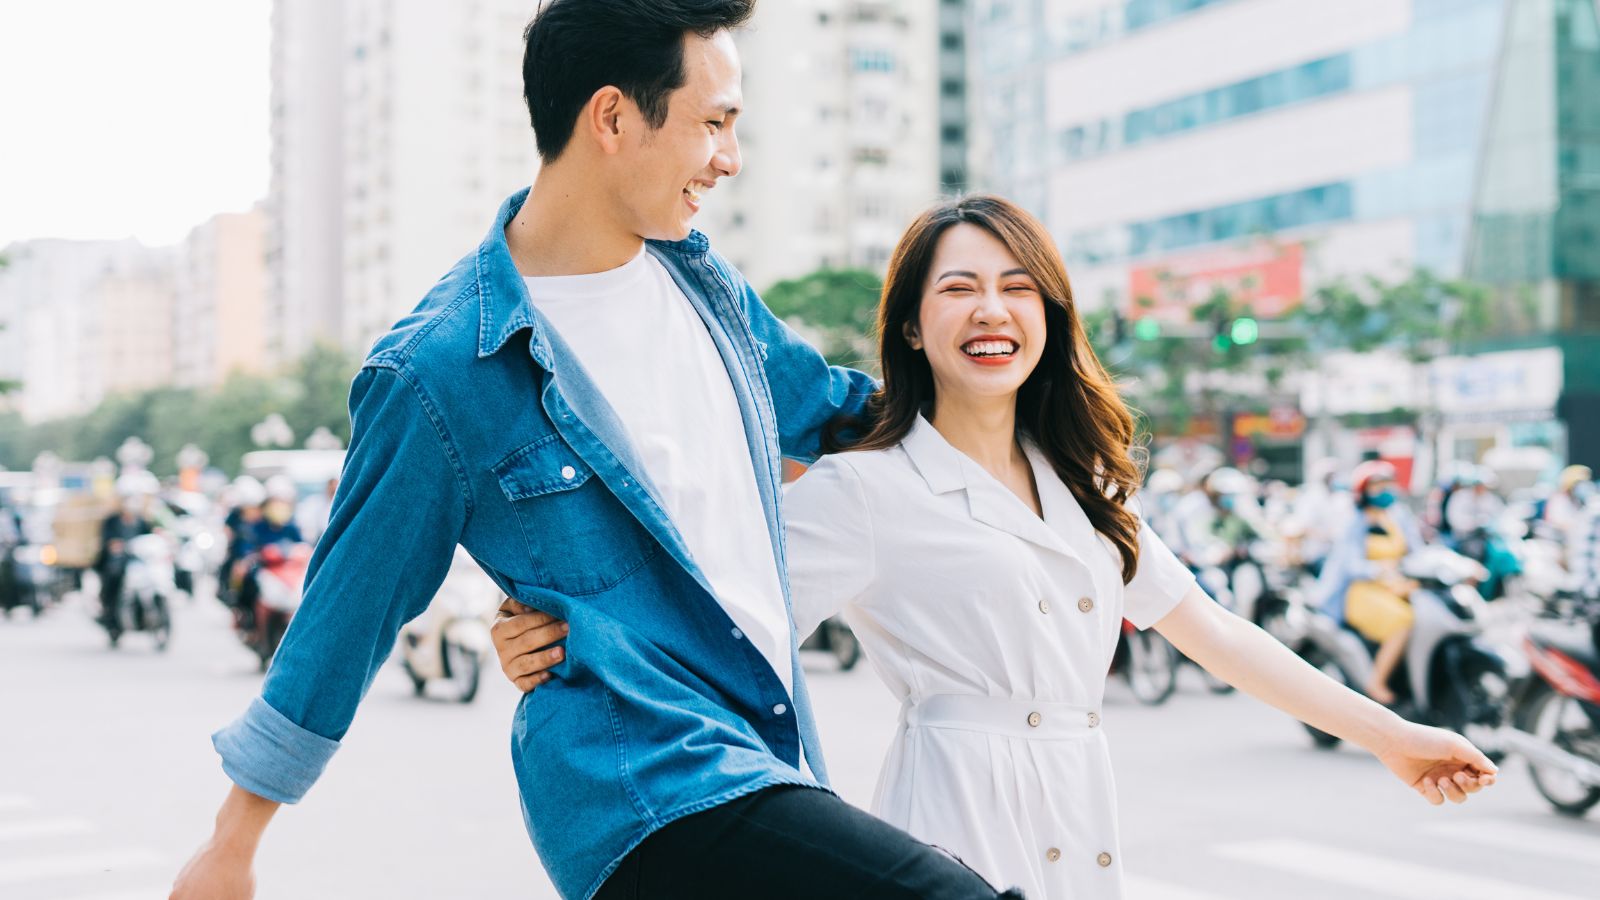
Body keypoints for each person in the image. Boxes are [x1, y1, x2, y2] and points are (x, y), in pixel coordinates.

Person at [171, 4, 1020, 899]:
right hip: (638, 788)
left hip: (766, 753)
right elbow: (349, 607)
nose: (730, 158)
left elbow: (844, 414)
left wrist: (1023, 388)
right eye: (714, 123)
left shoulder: (705, 288)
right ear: (612, 117)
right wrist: (233, 845)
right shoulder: (441, 369)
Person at [497, 196, 1499, 899]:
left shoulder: (1087, 487)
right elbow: (704, 622)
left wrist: (1392, 737)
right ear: (912, 325)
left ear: (1049, 317)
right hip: (951, 818)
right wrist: (556, 628)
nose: (991, 309)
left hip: (1080, 803)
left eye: (1018, 287)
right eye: (959, 288)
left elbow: (1217, 634)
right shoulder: (867, 490)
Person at [1316, 461, 1425, 705]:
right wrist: (1381, 570)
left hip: (1396, 585)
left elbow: (1418, 551)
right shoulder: (1354, 521)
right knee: (1402, 620)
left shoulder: (1398, 516)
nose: (1386, 490)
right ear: (1363, 491)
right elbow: (1351, 564)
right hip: (1359, 591)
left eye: (1388, 484)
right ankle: (1376, 682)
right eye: (1378, 486)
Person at [96, 473, 157, 629]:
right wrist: (115, 545)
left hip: (138, 560)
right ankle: (108, 611)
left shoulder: (142, 521)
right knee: (114, 575)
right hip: (118, 561)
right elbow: (107, 540)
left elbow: (149, 537)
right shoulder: (112, 520)